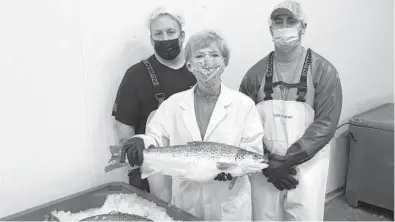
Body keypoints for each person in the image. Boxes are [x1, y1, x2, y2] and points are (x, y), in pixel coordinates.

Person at [122, 30, 264, 221]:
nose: (207, 62)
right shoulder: (172, 105)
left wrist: (234, 171)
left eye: (214, 55)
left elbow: (252, 148)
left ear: (225, 61)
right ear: (189, 65)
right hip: (186, 202)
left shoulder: (243, 105)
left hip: (229, 205)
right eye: (199, 56)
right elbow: (154, 137)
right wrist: (140, 141)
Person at [239, 0, 343, 221]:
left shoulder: (324, 72)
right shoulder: (254, 75)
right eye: (278, 22)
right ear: (271, 29)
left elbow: (326, 123)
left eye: (291, 21)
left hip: (307, 167)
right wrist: (267, 162)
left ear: (303, 27)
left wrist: (288, 160)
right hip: (265, 168)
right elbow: (244, 123)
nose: (284, 26)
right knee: (263, 216)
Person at [111, 7, 196, 196]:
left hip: (194, 170)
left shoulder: (198, 69)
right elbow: (123, 125)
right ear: (151, 39)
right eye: (158, 33)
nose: (165, 38)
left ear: (182, 35)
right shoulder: (136, 75)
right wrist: (134, 168)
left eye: (170, 32)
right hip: (155, 174)